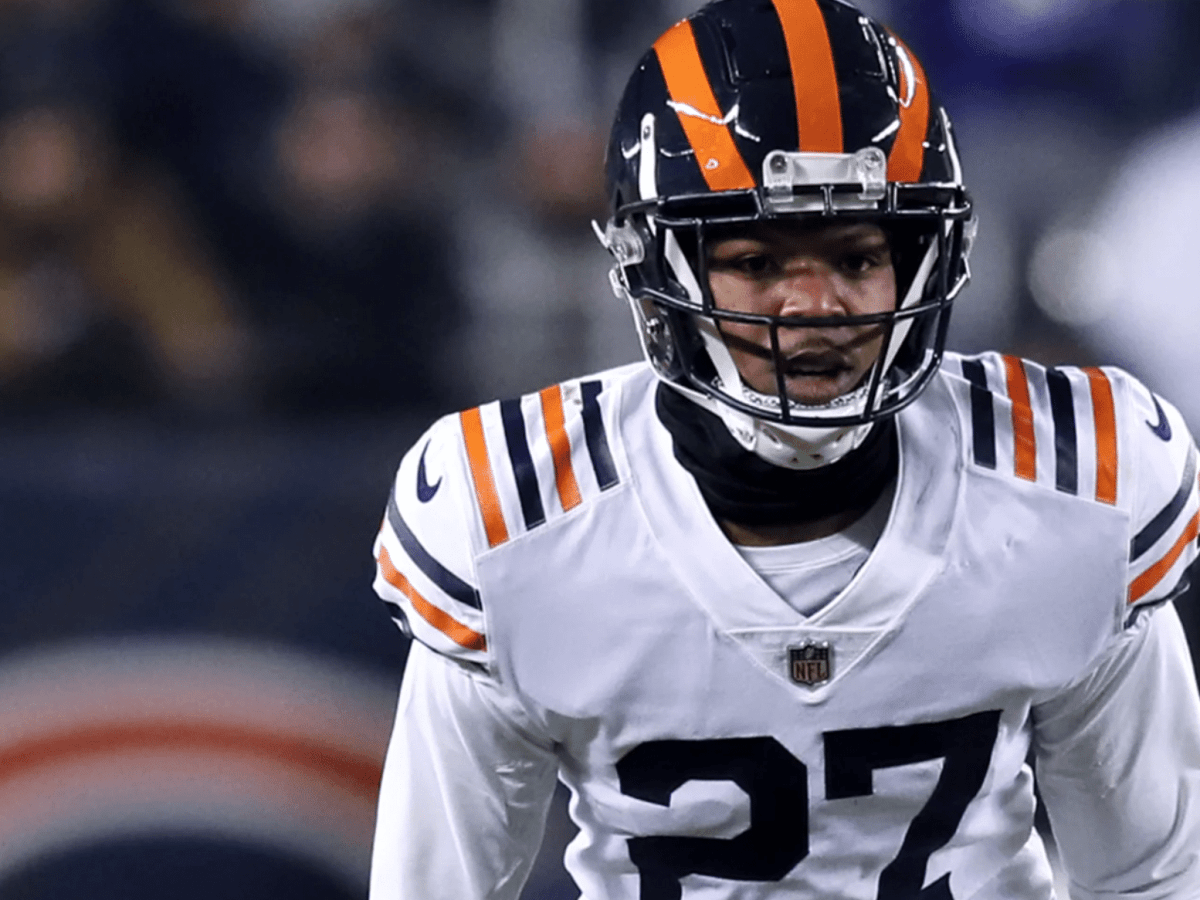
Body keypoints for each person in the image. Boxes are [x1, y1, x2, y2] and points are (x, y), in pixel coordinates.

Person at [367, 0, 1200, 897]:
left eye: (854, 258)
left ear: (925, 257)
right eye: (759, 263)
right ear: (655, 270)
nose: (816, 306)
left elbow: (1150, 876)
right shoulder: (516, 521)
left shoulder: (1069, 485)